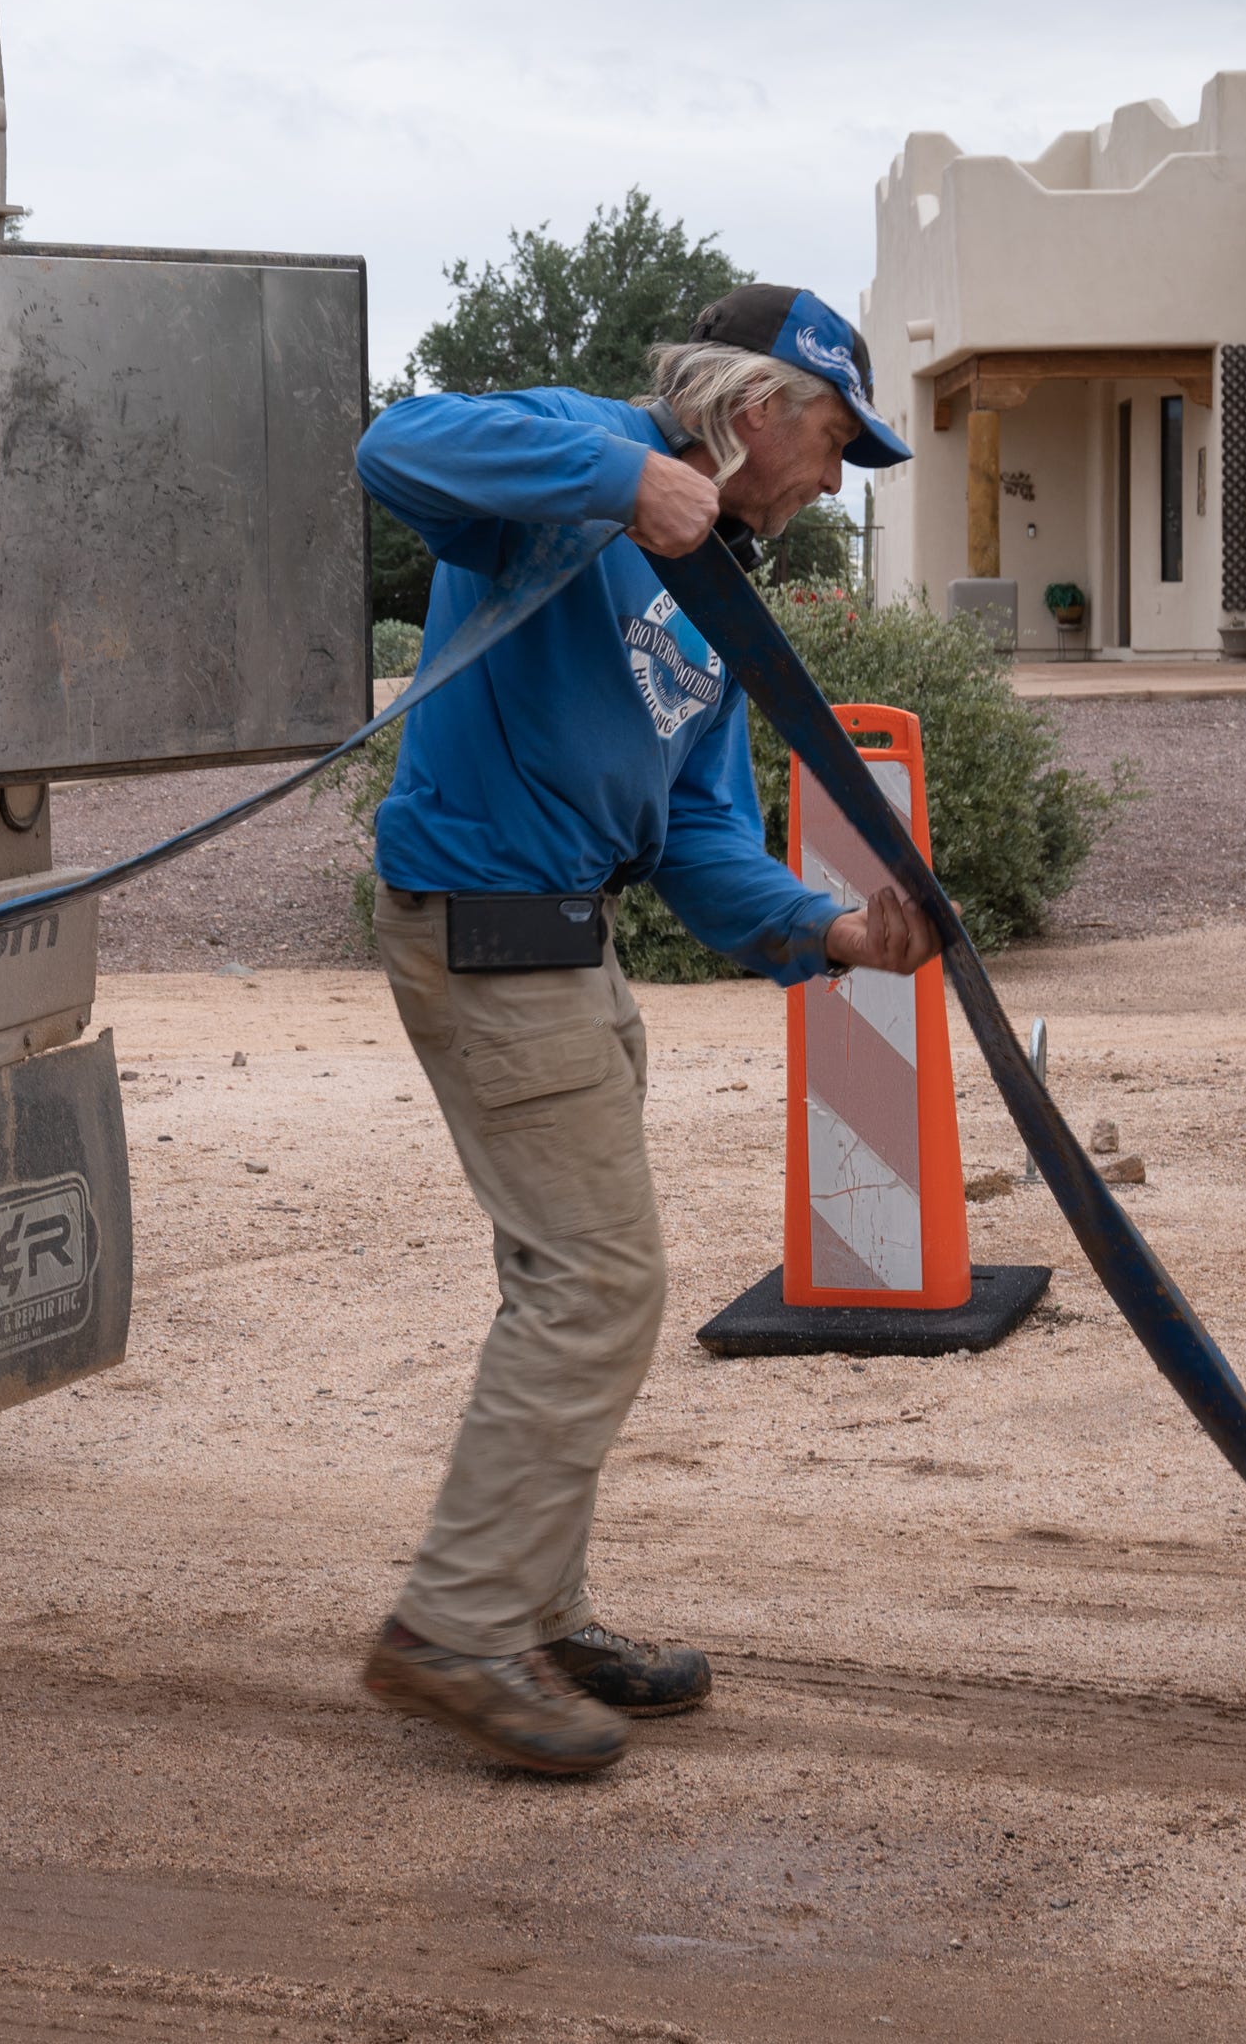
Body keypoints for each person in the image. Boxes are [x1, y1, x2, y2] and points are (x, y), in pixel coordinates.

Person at [349, 284, 939, 1776]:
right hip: (487, 932)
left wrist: (833, 932)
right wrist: (623, 479)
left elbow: (696, 833)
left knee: (568, 1284)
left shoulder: (714, 590)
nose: (828, 484)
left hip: (567, 942)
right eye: (828, 444)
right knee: (602, 1285)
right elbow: (397, 446)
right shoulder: (583, 453)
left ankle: (531, 1612)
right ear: (756, 409)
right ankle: (460, 1629)